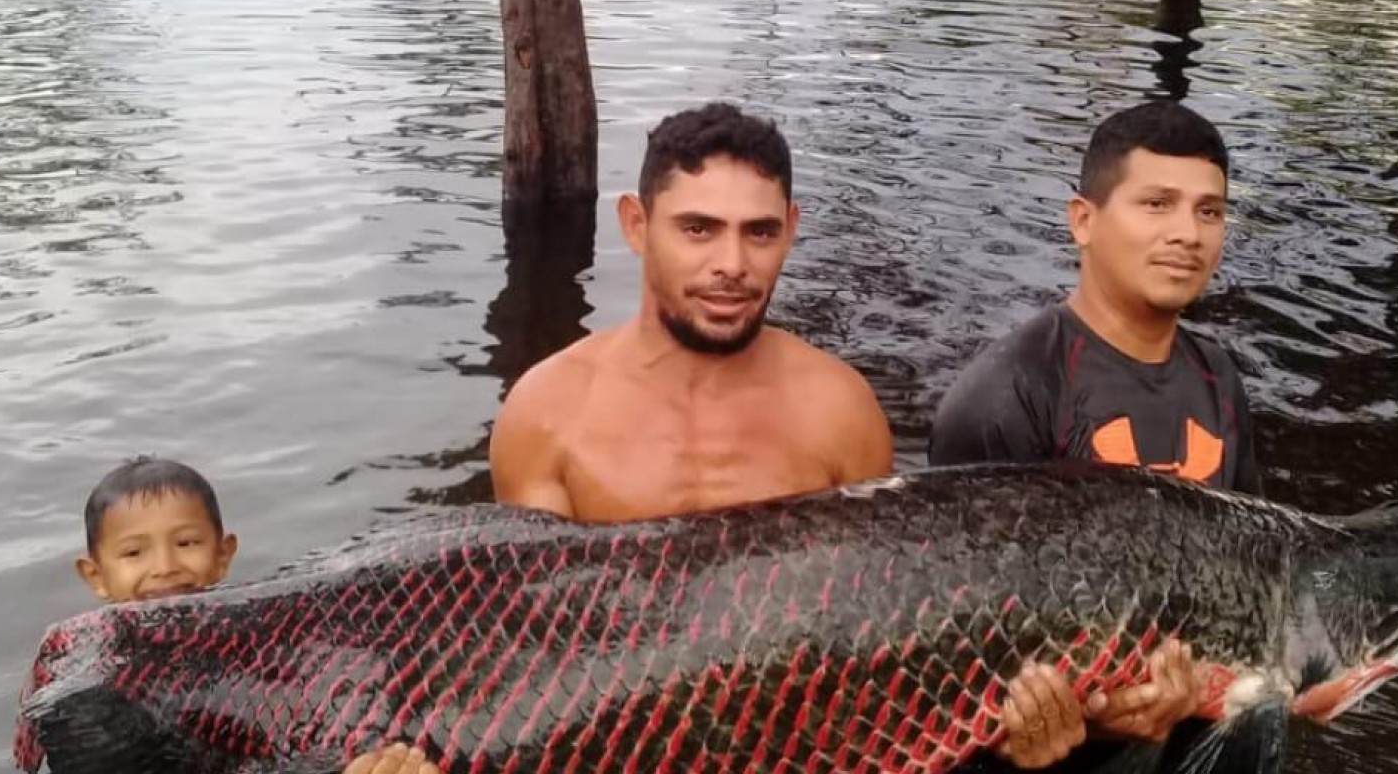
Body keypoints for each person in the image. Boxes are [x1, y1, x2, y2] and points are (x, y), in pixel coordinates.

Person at [928, 100, 1259, 768]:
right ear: (1084, 220)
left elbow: (1253, 577)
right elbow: (945, 643)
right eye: (1157, 204)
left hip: (1179, 730)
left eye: (1209, 211)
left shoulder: (1219, 380)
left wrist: (1197, 685)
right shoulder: (1007, 394)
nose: (1188, 234)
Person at [487, 101, 896, 520]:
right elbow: (535, 581)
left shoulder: (840, 410)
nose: (733, 264)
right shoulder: (545, 416)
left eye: (760, 232)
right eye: (698, 229)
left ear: (790, 231)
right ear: (636, 226)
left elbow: (872, 578)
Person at [75, 455, 238, 604]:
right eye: (133, 552)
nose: (165, 568)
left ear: (222, 555)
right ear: (96, 577)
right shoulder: (90, 636)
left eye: (185, 543)